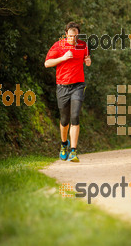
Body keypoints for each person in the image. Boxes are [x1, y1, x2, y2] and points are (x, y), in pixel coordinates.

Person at [44, 22, 91, 162]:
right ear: (66, 35)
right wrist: (63, 58)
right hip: (63, 86)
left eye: (75, 36)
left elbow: (87, 60)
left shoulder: (83, 45)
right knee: (64, 120)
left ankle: (73, 152)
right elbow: (47, 63)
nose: (73, 39)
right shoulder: (58, 45)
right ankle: (64, 144)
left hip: (78, 85)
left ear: (78, 35)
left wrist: (88, 61)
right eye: (70, 36)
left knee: (75, 117)